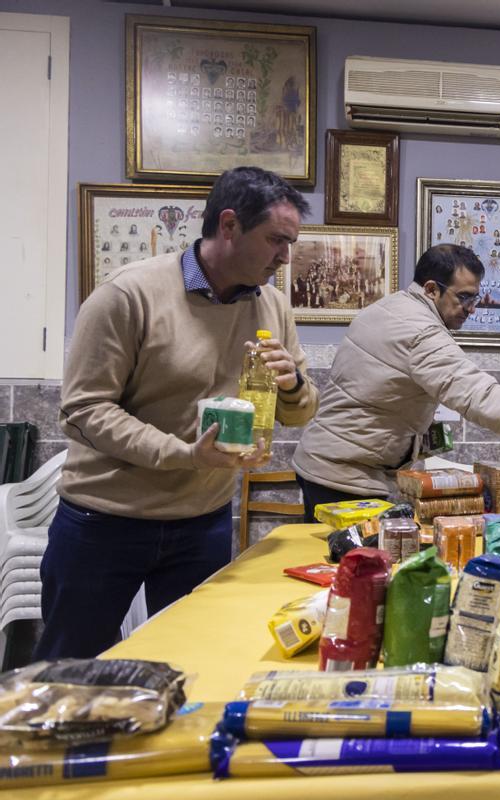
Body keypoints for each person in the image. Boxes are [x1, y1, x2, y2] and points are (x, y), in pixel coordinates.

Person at [37, 166, 319, 658]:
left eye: (290, 242)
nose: (285, 256)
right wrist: (185, 454)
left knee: (191, 660)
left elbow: (299, 413)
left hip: (202, 519)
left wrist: (292, 384)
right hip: (105, 518)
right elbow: (84, 409)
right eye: (276, 239)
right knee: (72, 667)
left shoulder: (273, 304)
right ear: (228, 225)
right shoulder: (129, 294)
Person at [293, 243, 500, 520]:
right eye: (464, 298)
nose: (471, 309)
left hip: (330, 464)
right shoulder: (419, 331)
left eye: (475, 298)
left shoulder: (387, 309)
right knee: (354, 578)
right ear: (431, 289)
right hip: (345, 477)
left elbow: (381, 395)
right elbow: (482, 397)